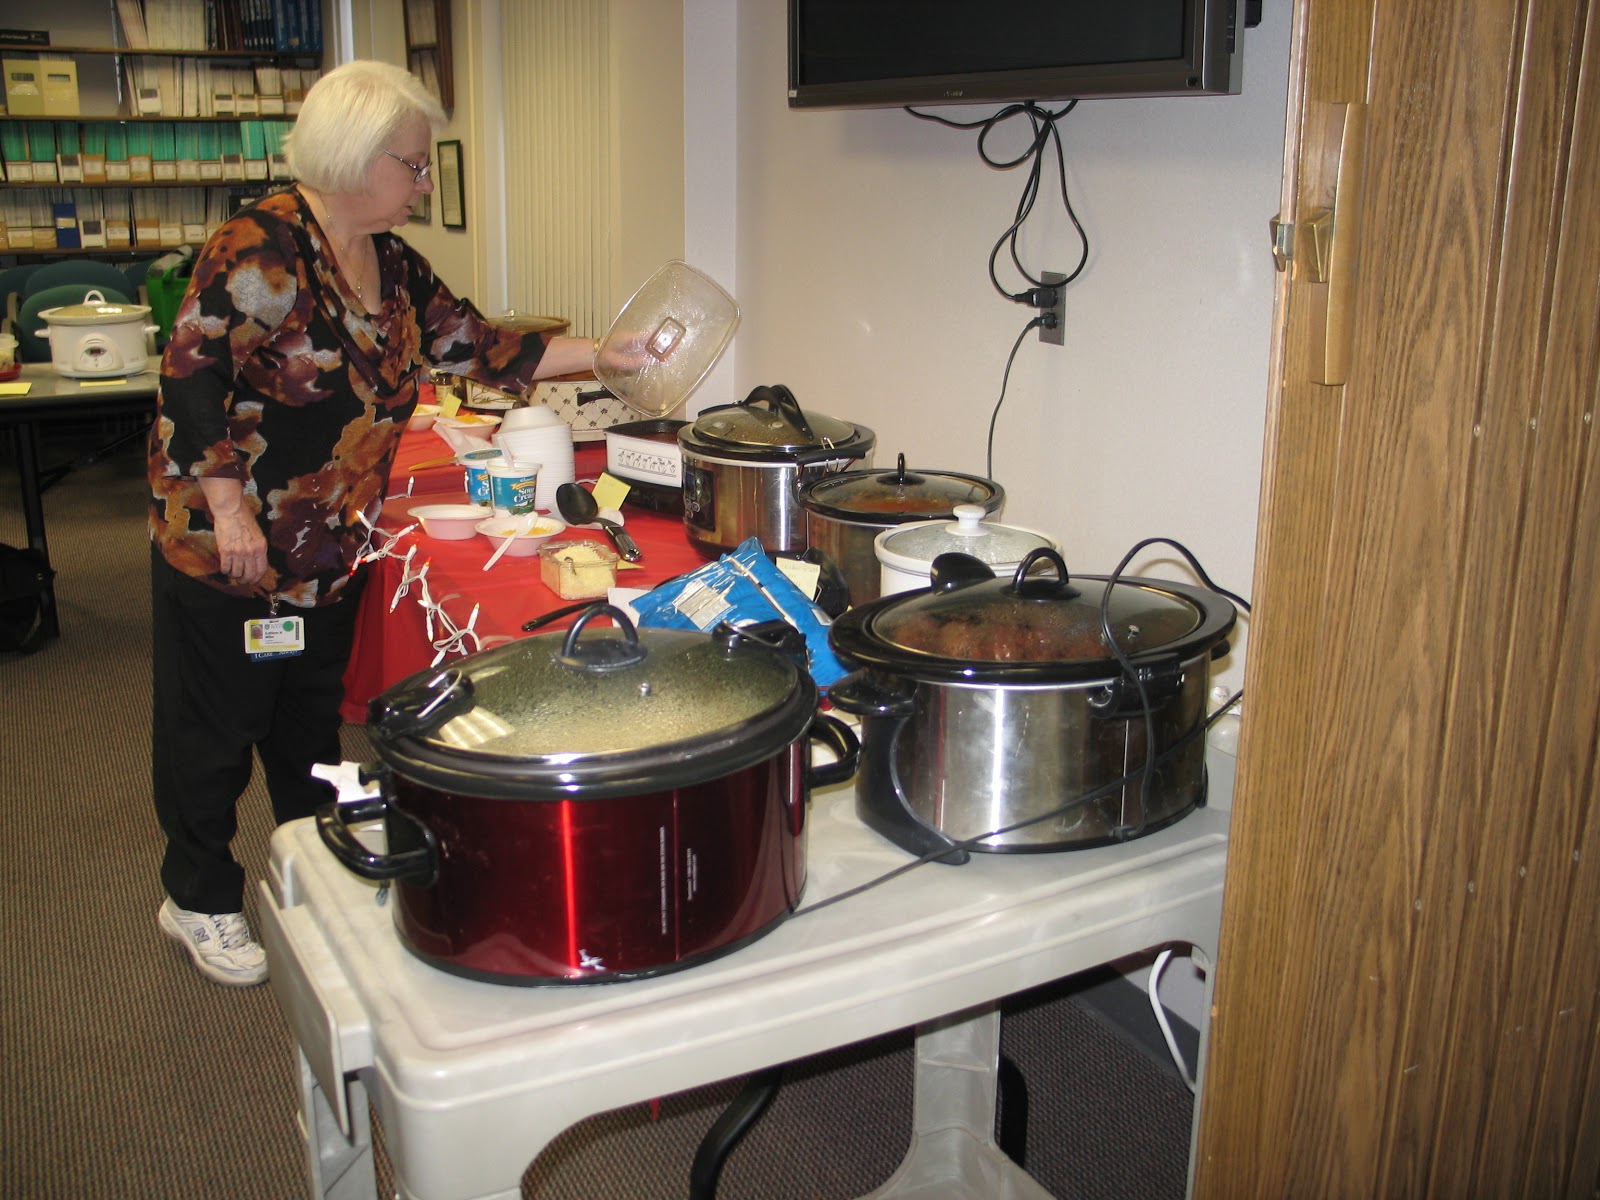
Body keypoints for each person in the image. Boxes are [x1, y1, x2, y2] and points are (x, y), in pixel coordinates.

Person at [147, 60, 597, 986]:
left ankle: (311, 868)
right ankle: (196, 897)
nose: (426, 183)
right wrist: (229, 510)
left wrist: (612, 354)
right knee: (217, 731)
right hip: (230, 547)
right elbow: (190, 376)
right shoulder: (259, 249)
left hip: (325, 547)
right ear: (357, 156)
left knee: (307, 722)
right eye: (416, 165)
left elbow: (480, 342)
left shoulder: (388, 264)